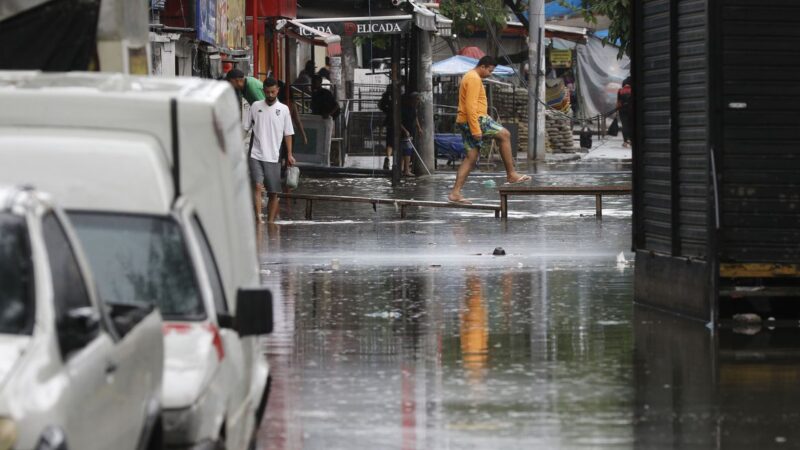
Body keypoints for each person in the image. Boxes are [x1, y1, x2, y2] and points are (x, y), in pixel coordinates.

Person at [448, 56, 530, 204]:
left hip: (464, 120)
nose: (490, 74)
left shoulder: (469, 76)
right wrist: (476, 129)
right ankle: (511, 174)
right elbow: (470, 106)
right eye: (490, 70)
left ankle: (455, 193)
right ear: (483, 66)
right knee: (505, 134)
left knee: (471, 158)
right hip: (475, 119)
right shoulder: (473, 78)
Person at [244, 78, 295, 224]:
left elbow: (288, 133)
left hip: (273, 156)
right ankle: (258, 220)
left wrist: (290, 154)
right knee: (257, 185)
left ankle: (271, 223)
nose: (270, 95)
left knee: (273, 192)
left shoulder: (283, 109)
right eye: (267, 92)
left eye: (273, 92)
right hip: (255, 153)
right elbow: (245, 128)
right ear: (263, 91)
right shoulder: (255, 106)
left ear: (277, 90)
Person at [310, 75, 339, 164]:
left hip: (325, 120)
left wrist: (328, 114)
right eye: (312, 82)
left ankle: (325, 161)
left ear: (319, 83)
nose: (313, 84)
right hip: (318, 120)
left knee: (325, 141)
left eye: (315, 82)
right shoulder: (315, 94)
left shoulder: (325, 93)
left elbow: (336, 106)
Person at [399, 92, 421, 177]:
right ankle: (406, 170)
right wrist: (405, 130)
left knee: (406, 150)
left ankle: (403, 169)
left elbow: (415, 118)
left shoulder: (413, 109)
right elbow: (399, 122)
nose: (418, 101)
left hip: (410, 132)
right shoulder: (404, 109)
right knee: (407, 151)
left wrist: (419, 128)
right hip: (404, 132)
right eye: (417, 99)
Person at [378, 85, 394, 170]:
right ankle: (388, 160)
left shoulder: (386, 98)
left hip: (390, 122)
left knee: (390, 143)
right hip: (393, 122)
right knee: (392, 143)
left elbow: (381, 106)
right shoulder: (392, 99)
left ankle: (387, 159)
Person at [617, 77, 633, 148]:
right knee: (631, 125)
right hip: (632, 110)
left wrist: (618, 109)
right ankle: (632, 140)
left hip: (622, 111)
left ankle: (625, 141)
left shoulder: (620, 91)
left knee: (625, 125)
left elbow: (618, 102)